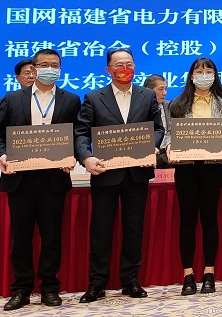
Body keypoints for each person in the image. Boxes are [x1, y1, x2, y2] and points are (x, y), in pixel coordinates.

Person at [0, 49, 81, 311]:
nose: (50, 69)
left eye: (55, 65)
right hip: (20, 179)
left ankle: (50, 287)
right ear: (34, 68)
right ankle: (21, 289)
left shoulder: (71, 100)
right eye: (44, 65)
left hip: (54, 178)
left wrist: (74, 156)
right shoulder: (12, 99)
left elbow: (78, 135)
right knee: (21, 237)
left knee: (51, 237)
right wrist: (2, 156)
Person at [74, 49, 165, 303]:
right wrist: (86, 157)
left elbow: (158, 128)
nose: (125, 69)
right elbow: (81, 133)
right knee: (101, 231)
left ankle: (130, 281)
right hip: (105, 173)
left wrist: (153, 144)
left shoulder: (147, 96)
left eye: (129, 64)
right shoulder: (94, 98)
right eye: (119, 65)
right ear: (108, 70)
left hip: (137, 173)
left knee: (134, 229)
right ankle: (97, 283)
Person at [168, 58, 222, 295]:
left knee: (209, 220)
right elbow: (169, 134)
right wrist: (169, 148)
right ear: (191, 75)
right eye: (199, 71)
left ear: (215, 74)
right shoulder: (177, 103)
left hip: (211, 168)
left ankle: (209, 274)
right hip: (185, 168)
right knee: (187, 221)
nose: (204, 75)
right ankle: (188, 276)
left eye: (208, 71)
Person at [144, 74, 172, 168]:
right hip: (147, 156)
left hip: (167, 155)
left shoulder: (170, 106)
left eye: (165, 89)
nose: (164, 93)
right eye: (160, 89)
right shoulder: (139, 109)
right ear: (148, 90)